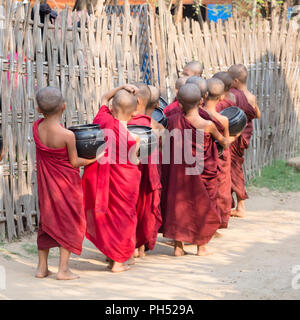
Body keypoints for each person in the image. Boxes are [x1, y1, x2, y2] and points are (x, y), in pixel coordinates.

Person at [33, 86, 96, 280]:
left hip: (47, 187)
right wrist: (94, 159)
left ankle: (42, 268)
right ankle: (63, 270)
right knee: (69, 222)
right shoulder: (68, 135)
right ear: (64, 107)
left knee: (47, 221)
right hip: (67, 186)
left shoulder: (36, 127)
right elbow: (75, 162)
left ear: (38, 110)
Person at [162, 83, 228, 256]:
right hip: (202, 171)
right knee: (204, 203)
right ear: (201, 101)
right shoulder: (208, 124)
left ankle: (178, 247)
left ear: (180, 104)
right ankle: (202, 247)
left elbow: (164, 145)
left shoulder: (171, 121)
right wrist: (231, 136)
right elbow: (223, 142)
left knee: (179, 204)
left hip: (179, 172)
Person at [82, 85, 141, 273]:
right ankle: (118, 262)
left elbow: (103, 99)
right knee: (123, 218)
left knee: (108, 216)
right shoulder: (133, 138)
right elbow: (134, 160)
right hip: (125, 182)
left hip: (102, 180)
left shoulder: (102, 119)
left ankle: (111, 255)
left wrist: (121, 88)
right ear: (133, 114)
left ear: (112, 108)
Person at [128, 84, 163, 259]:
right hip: (148, 175)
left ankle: (131, 244)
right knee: (145, 206)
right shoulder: (156, 127)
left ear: (138, 101)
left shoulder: (125, 123)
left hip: (129, 174)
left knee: (131, 206)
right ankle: (140, 246)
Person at [203, 78, 237, 229]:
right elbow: (225, 142)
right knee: (221, 188)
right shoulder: (222, 119)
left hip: (200, 158)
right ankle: (218, 222)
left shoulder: (197, 114)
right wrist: (237, 135)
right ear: (222, 97)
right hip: (218, 157)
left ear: (204, 94)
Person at [227, 64, 261, 218]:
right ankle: (233, 204)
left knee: (233, 169)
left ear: (235, 80)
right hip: (244, 136)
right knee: (234, 168)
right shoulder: (251, 96)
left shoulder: (234, 95)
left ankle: (241, 206)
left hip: (235, 137)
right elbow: (257, 114)